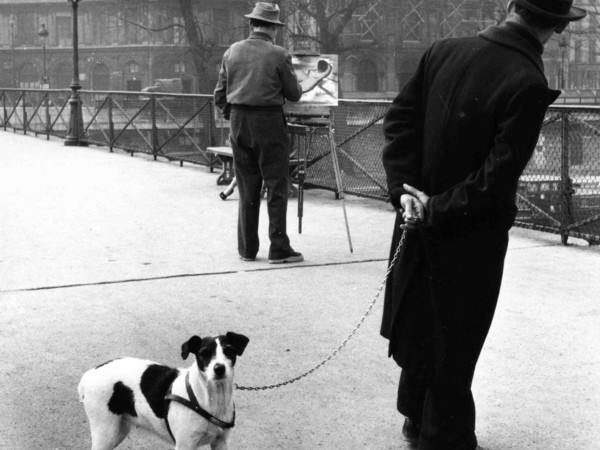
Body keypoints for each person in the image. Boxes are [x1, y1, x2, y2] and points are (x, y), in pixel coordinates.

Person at [380, 1, 586, 449]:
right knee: (458, 337)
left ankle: (416, 418)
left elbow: (399, 122)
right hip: (467, 233)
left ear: (511, 7)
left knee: (420, 316)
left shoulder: (443, 50)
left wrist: (405, 192)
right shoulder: (527, 81)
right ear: (555, 27)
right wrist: (435, 207)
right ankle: (445, 437)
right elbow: (496, 178)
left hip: (414, 218)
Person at [214, 2, 304, 264]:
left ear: (251, 24)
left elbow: (219, 95)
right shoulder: (279, 54)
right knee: (277, 185)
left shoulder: (232, 52)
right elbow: (294, 95)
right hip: (269, 124)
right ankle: (278, 249)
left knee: (246, 187)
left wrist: (233, 115)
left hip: (239, 123)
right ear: (274, 29)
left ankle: (247, 249)